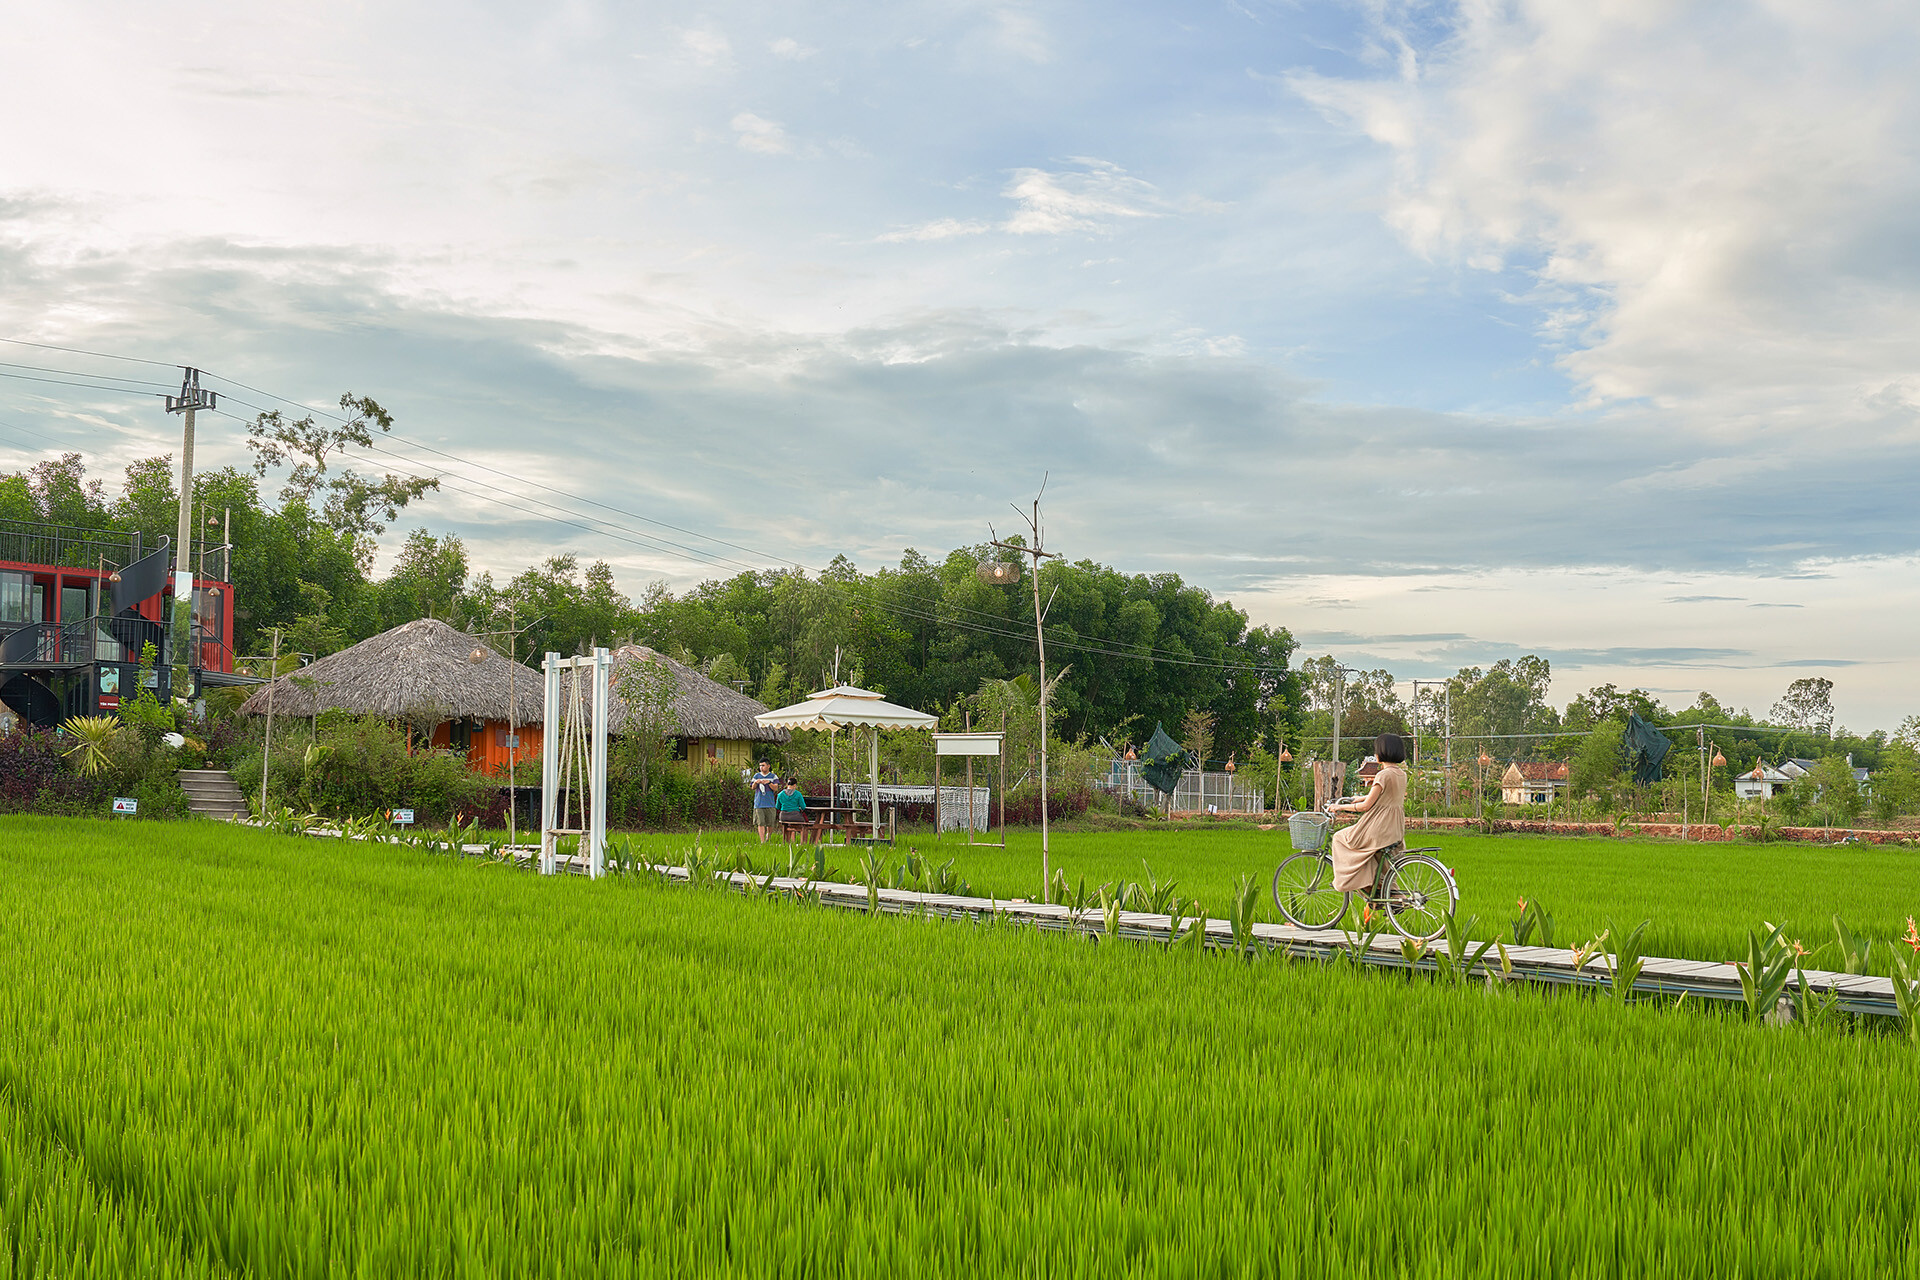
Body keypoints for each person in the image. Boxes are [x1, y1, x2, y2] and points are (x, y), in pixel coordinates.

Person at [1328, 733, 1409, 895]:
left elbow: (1365, 806)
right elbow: (1385, 795)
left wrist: (1340, 807)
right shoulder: (1402, 774)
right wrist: (1359, 797)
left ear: (1382, 752)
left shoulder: (1383, 775)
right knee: (1371, 855)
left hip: (1378, 827)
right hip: (1394, 828)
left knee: (1339, 838)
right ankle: (1378, 892)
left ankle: (1349, 881)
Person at [750, 760, 781, 844]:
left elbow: (775, 788)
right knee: (760, 823)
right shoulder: (756, 776)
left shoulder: (773, 776)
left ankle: (768, 837)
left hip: (770, 804)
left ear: (768, 766)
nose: (761, 767)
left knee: (770, 824)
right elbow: (752, 787)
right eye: (760, 765)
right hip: (759, 804)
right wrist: (756, 782)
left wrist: (769, 783)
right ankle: (762, 841)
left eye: (763, 765)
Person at [776, 777, 811, 842]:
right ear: (794, 785)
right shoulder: (798, 794)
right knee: (804, 825)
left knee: (788, 825)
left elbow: (777, 807)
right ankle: (803, 843)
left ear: (787, 785)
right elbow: (803, 807)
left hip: (783, 816)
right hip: (795, 816)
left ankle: (787, 842)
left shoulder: (780, 794)